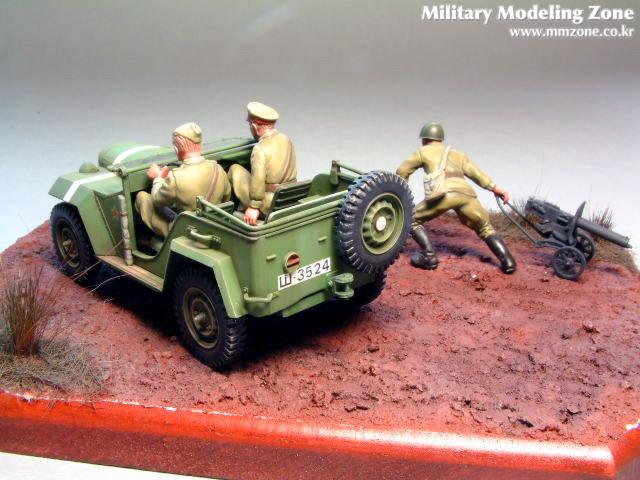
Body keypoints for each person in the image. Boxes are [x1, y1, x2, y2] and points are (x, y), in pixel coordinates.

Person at [396, 122, 516, 274]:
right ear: (440, 139)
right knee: (485, 228)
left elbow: (402, 171)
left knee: (412, 219)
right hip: (466, 194)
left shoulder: (423, 151)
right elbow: (476, 174)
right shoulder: (458, 154)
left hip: (443, 194)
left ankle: (429, 256)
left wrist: (401, 195)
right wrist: (495, 188)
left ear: (424, 139)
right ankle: (509, 262)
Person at [135, 122, 231, 238]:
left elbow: (156, 200)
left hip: (186, 232)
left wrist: (158, 178)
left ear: (177, 148)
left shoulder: (175, 177)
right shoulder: (218, 169)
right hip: (215, 224)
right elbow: (227, 196)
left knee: (142, 197)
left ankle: (146, 238)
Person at [228, 102, 297, 225]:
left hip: (269, 203)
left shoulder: (260, 149)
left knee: (235, 169)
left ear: (255, 127)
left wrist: (254, 207)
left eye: (250, 125)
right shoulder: (286, 138)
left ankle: (231, 209)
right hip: (290, 196)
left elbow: (258, 179)